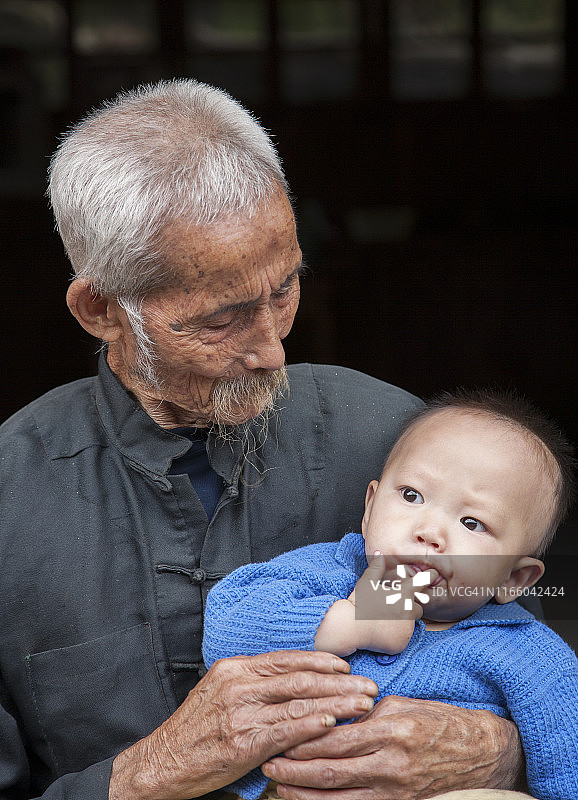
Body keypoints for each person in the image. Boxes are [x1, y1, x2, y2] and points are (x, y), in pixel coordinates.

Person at [0, 78, 526, 800]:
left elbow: (523, 651)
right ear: (101, 309)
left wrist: (498, 752)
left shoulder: (395, 448)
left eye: (284, 289)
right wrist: (146, 774)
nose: (272, 350)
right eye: (220, 319)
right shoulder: (12, 503)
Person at [203, 389, 578, 800]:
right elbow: (226, 625)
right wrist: (349, 622)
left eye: (472, 522)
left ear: (514, 578)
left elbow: (567, 765)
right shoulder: (328, 573)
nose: (429, 532)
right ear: (369, 508)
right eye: (412, 496)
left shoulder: (533, 658)